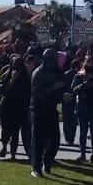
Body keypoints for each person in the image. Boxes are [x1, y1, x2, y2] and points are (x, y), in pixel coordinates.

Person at [29, 49, 65, 177]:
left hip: (51, 109)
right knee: (38, 140)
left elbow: (61, 87)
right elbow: (38, 93)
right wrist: (54, 87)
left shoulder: (57, 72)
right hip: (38, 109)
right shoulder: (37, 73)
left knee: (55, 139)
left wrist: (63, 96)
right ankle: (36, 167)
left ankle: (48, 161)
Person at [0, 53, 31, 160]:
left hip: (18, 106)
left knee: (15, 132)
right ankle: (4, 146)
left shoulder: (25, 77)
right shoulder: (6, 74)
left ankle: (13, 154)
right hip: (6, 106)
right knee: (5, 130)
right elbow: (0, 88)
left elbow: (28, 92)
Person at [73, 59, 93, 163]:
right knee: (83, 132)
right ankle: (82, 154)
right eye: (88, 63)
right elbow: (73, 89)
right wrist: (83, 85)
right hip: (83, 107)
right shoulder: (79, 76)